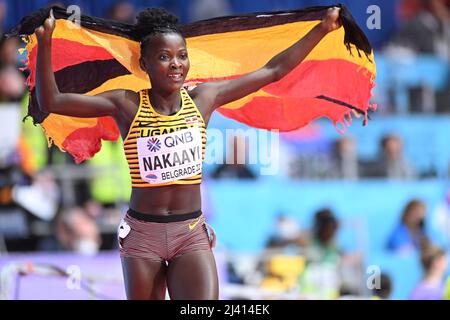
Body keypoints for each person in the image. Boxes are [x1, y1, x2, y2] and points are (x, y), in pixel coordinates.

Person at [33, 7, 342, 300]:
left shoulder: (205, 98)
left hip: (190, 232)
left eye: (182, 56)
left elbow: (274, 70)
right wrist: (45, 42)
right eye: (165, 57)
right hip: (143, 235)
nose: (176, 64)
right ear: (145, 65)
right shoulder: (125, 104)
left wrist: (322, 29)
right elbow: (53, 102)